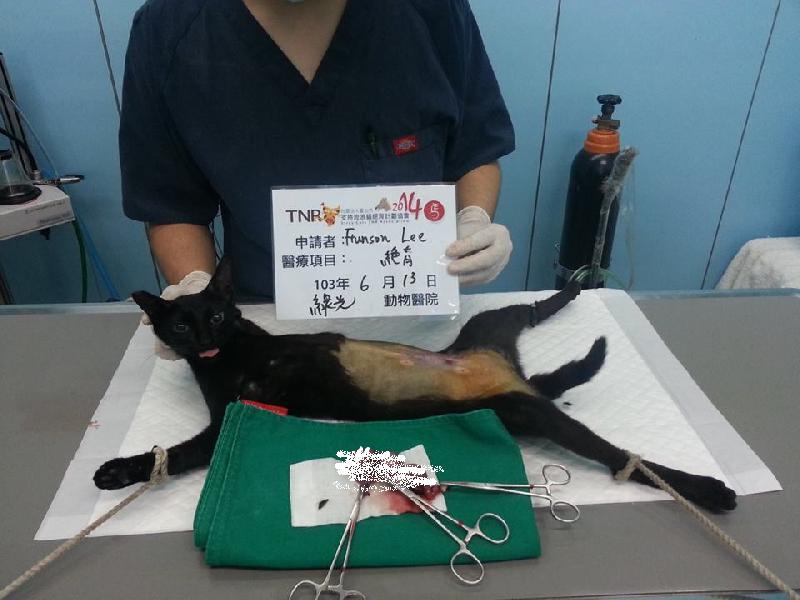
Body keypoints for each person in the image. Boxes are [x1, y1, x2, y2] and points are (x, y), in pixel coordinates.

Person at [121, 0, 515, 307]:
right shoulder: (170, 31)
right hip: (263, 318)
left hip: (411, 299)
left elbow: (473, 148)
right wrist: (196, 293)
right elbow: (172, 204)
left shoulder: (431, 12)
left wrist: (473, 222)